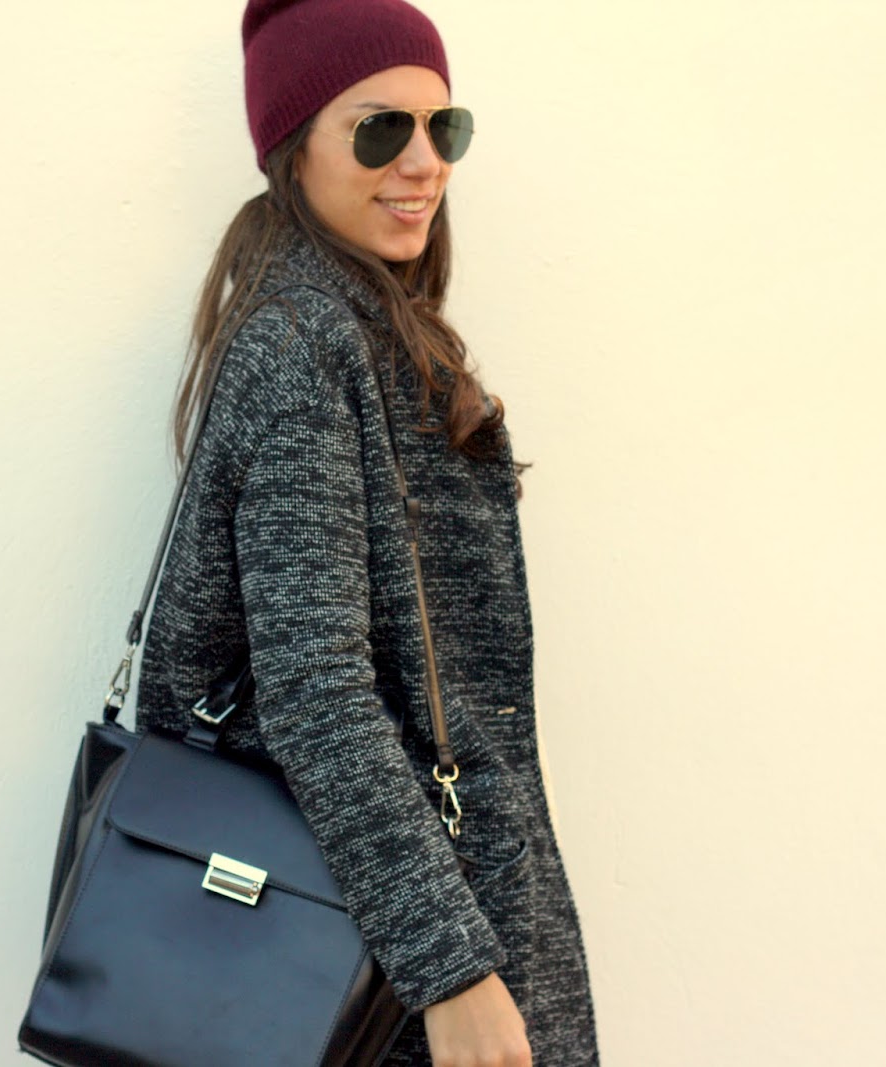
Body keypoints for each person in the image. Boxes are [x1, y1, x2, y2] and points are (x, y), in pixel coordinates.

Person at [133, 1, 601, 1063]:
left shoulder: (366, 333)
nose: (424, 163)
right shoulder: (305, 347)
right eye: (380, 128)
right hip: (386, 962)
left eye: (445, 127)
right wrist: (452, 968)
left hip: (402, 927)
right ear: (293, 150)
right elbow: (315, 688)